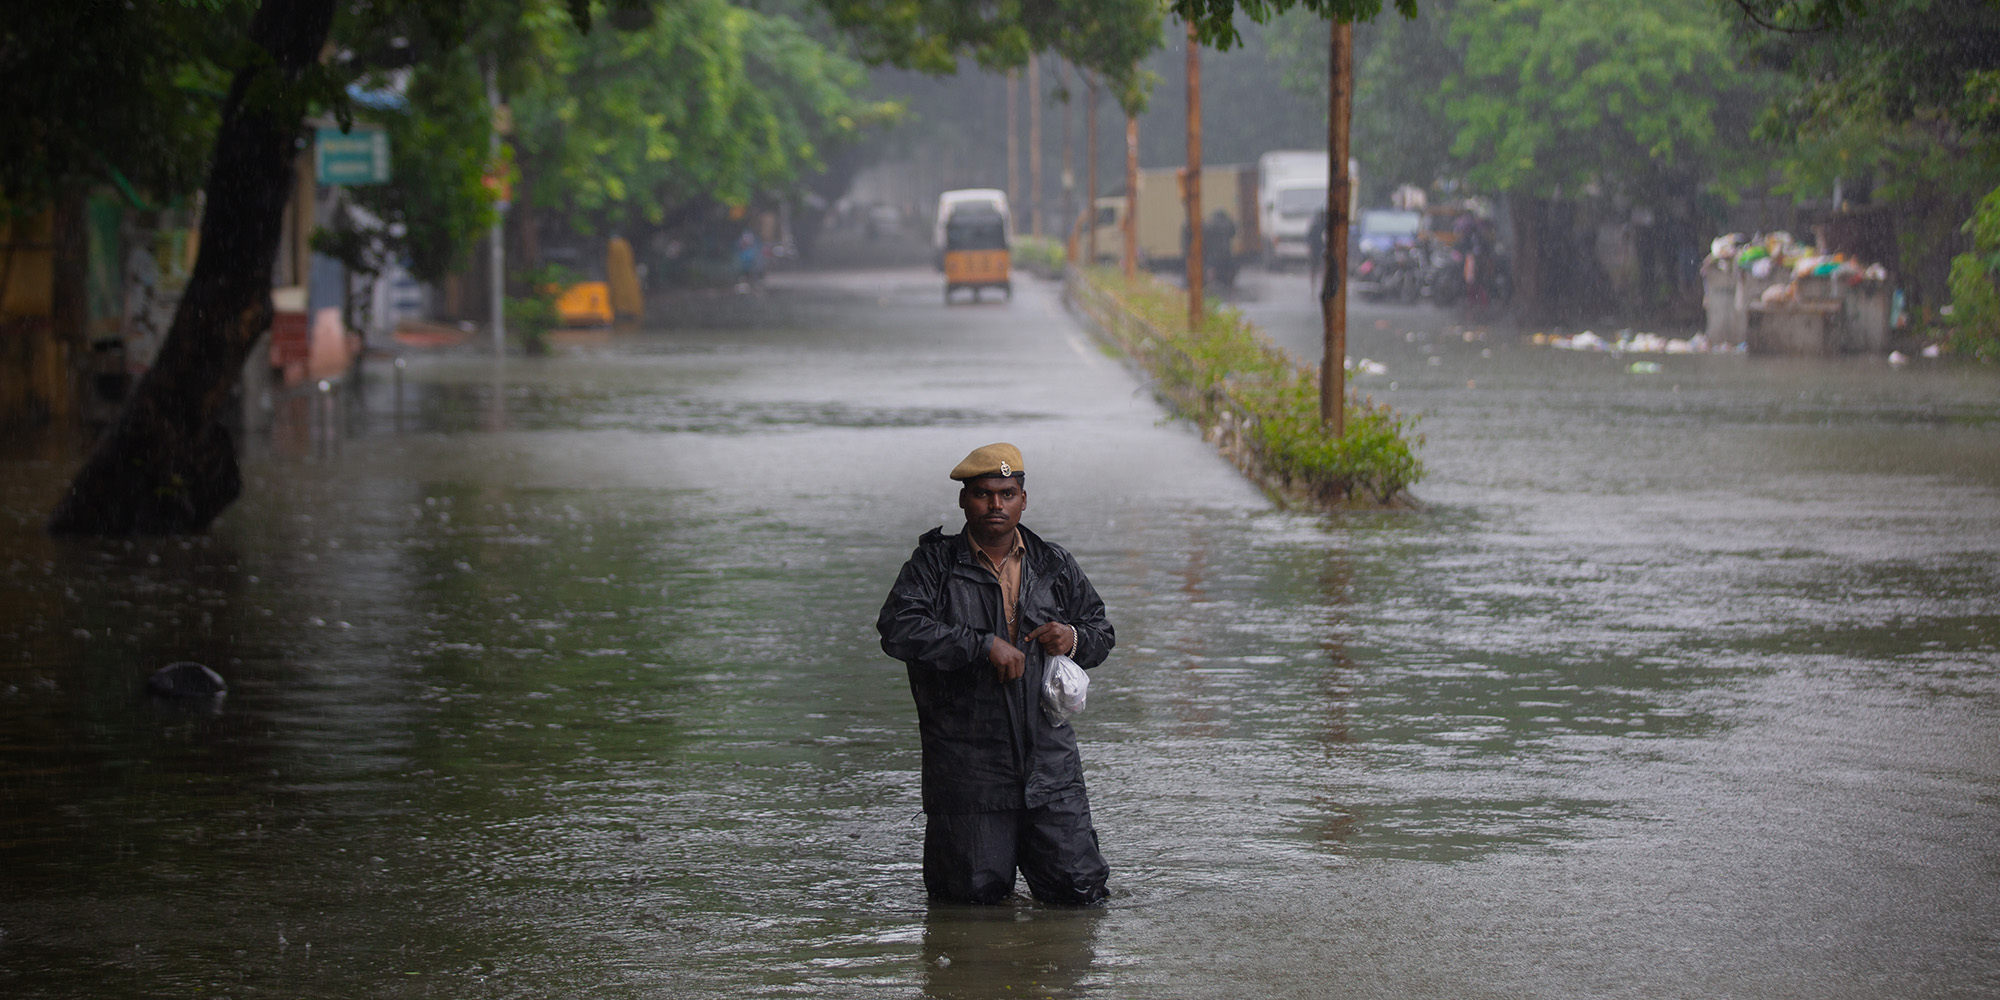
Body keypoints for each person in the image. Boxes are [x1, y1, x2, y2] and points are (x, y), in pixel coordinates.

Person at [877, 443, 1115, 906]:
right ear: (964, 501)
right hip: (968, 769)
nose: (995, 506)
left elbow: (1100, 630)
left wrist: (1072, 638)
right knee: (968, 903)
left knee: (1080, 897)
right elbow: (897, 629)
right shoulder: (933, 566)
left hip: (1051, 765)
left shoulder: (1054, 564)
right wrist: (981, 645)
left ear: (1024, 499)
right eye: (984, 494)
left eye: (1007, 494)